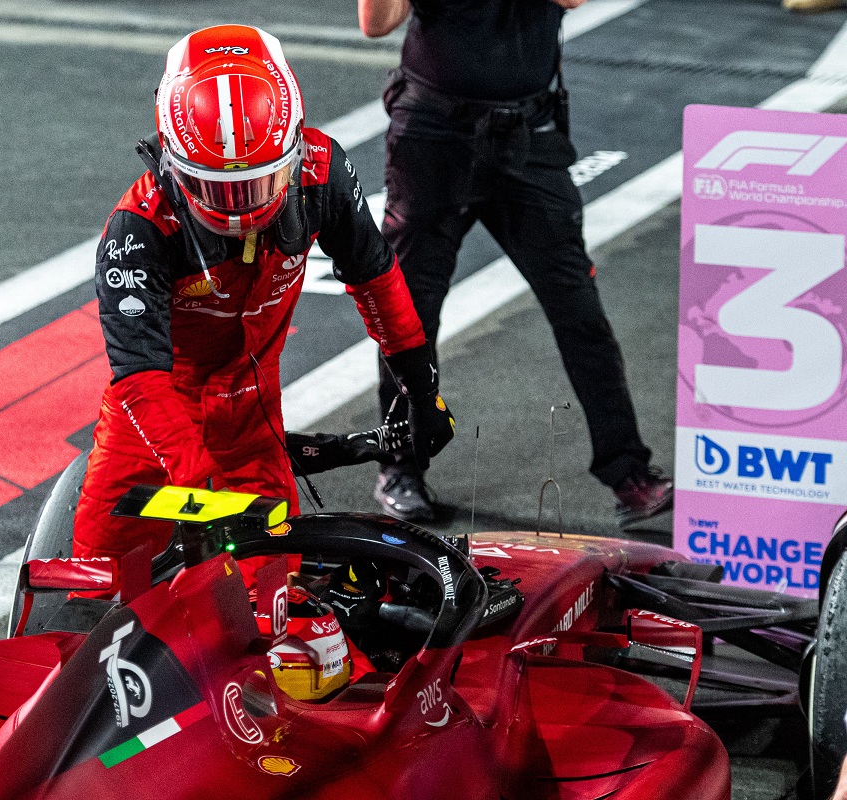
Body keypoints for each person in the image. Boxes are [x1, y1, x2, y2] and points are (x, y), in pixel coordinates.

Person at [72, 24, 456, 562]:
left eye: (256, 184)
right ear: (173, 164)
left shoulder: (324, 173)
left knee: (271, 612)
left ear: (294, 151)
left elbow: (377, 281)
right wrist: (198, 488)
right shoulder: (138, 229)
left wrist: (422, 391)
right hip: (155, 425)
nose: (240, 211)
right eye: (217, 188)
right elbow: (140, 380)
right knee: (93, 584)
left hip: (253, 420)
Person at [359, 0, 673, 528]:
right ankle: (399, 467)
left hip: (527, 135)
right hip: (432, 134)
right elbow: (376, 23)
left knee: (579, 311)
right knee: (408, 318)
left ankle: (628, 473)